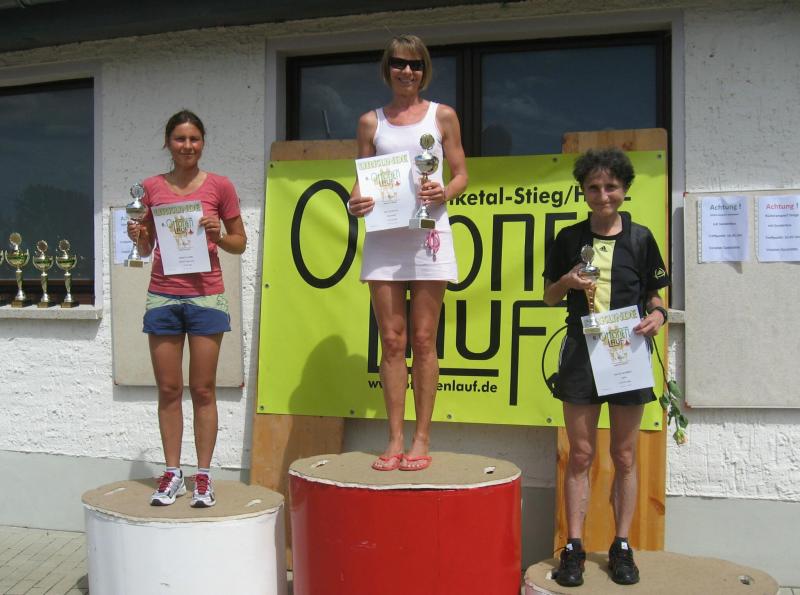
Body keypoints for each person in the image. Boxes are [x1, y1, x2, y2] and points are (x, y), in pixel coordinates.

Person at [543, 148, 669, 586]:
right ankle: (574, 547)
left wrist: (659, 315)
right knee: (580, 454)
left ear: (625, 189)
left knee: (625, 455)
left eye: (611, 186)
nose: (602, 195)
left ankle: (621, 545)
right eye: (593, 187)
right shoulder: (567, 238)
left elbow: (655, 295)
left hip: (626, 352)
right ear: (583, 191)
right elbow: (549, 297)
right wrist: (566, 281)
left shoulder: (642, 238)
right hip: (582, 352)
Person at [347, 34, 468, 471]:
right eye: (399, 63)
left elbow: (461, 174)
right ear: (388, 68)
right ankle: (395, 437)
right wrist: (354, 201)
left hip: (427, 236)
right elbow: (361, 180)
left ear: (424, 70)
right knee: (393, 341)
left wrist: (444, 192)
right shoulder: (370, 122)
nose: (407, 71)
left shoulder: (443, 116)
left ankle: (422, 437)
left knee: (423, 339)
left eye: (415, 64)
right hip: (384, 240)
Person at [128, 110, 247, 507]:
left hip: (206, 296)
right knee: (168, 389)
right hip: (163, 295)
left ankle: (204, 475)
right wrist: (138, 234)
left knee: (203, 389)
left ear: (203, 143)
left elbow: (239, 242)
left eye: (194, 139)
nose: (187, 146)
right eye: (180, 139)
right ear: (168, 143)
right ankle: (172, 472)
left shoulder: (220, 186)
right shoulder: (150, 188)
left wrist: (220, 234)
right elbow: (146, 247)